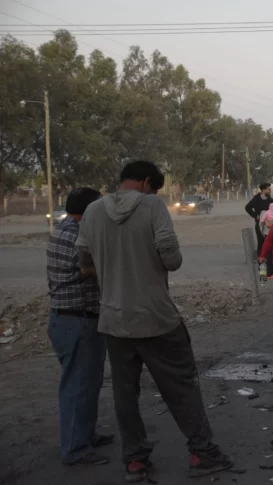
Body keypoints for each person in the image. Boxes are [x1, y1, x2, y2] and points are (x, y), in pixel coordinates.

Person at [76, 160, 233, 482]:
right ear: (148, 183)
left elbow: (83, 263)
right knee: (181, 387)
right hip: (156, 318)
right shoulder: (153, 206)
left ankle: (135, 461)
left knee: (125, 394)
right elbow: (171, 259)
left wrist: (113, 264)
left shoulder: (92, 211)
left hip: (114, 322)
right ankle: (203, 453)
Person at [46, 187, 112, 467]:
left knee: (87, 383)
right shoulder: (77, 235)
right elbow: (88, 268)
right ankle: (75, 448)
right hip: (77, 320)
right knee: (78, 386)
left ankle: (85, 435)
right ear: (89, 210)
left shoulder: (66, 228)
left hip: (73, 318)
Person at [245, 183, 273, 254]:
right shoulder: (256, 199)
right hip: (259, 225)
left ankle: (270, 261)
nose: (270, 191)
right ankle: (261, 261)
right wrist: (256, 216)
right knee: (261, 243)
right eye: (269, 189)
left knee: (270, 243)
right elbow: (247, 207)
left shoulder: (271, 201)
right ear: (263, 190)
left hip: (270, 225)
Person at [259, 202, 273, 279]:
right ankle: (270, 272)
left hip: (272, 235)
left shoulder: (268, 214)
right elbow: (267, 225)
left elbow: (263, 223)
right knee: (270, 253)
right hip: (269, 235)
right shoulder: (269, 214)